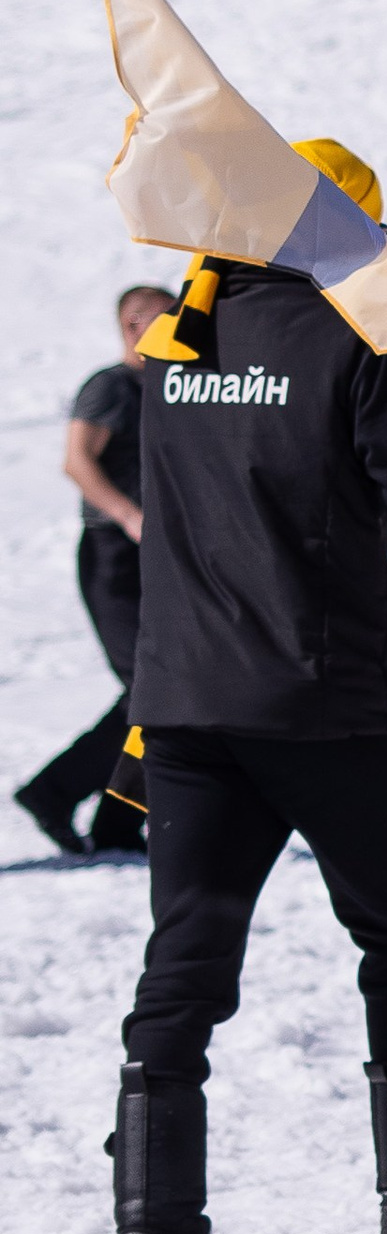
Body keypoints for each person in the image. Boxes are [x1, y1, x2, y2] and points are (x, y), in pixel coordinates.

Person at [110, 136, 387, 1234]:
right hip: (331, 699)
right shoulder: (357, 330)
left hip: (186, 701)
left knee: (182, 971)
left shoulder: (176, 340)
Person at [14, 283, 177, 858]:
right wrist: (128, 514)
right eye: (164, 318)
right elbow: (77, 461)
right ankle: (55, 793)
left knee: (169, 693)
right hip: (114, 557)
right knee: (153, 692)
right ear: (131, 326)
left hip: (163, 559)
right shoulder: (111, 386)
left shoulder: (173, 384)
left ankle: (115, 821)